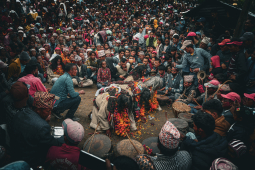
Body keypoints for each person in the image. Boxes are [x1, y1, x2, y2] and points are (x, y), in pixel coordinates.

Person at [8, 82, 61, 168]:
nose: (50, 113)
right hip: (32, 161)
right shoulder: (42, 126)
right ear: (38, 110)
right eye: (48, 111)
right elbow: (53, 143)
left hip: (16, 155)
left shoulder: (19, 114)